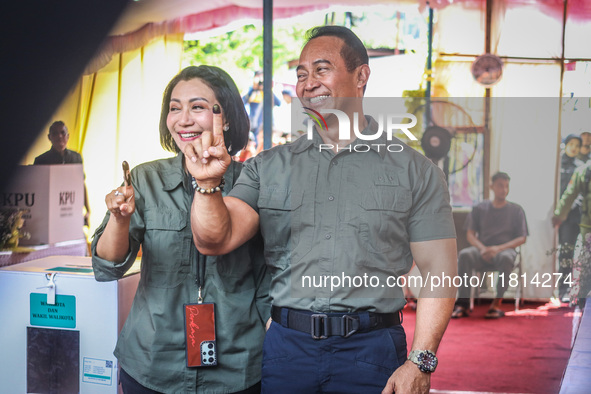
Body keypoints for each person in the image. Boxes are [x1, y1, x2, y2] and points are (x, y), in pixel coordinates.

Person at [186, 26, 457, 394]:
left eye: (321, 70)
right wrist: (206, 185)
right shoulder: (267, 167)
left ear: (361, 76)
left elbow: (438, 271)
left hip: (372, 350)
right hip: (288, 350)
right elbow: (215, 239)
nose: (308, 83)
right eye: (300, 74)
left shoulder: (415, 170)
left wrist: (420, 362)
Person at [91, 65, 270, 394]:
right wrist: (119, 218)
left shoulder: (254, 181)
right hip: (152, 362)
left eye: (197, 107)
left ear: (225, 117)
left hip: (237, 365)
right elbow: (107, 266)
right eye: (175, 108)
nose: (183, 119)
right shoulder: (146, 179)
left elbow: (272, 270)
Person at [451, 172, 528, 319]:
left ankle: (496, 304)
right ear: (491, 186)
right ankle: (463, 304)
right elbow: (470, 235)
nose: (504, 190)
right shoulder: (480, 208)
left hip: (504, 250)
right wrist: (483, 248)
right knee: (465, 255)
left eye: (506, 186)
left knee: (506, 257)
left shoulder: (516, 210)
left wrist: (498, 248)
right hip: (482, 250)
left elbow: (522, 238)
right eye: (500, 186)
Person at [34, 121, 91, 226]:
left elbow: (81, 184)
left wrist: (88, 209)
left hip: (71, 210)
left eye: (62, 133)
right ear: (49, 137)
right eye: (55, 133)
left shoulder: (76, 157)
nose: (59, 136)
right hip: (49, 213)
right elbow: (37, 191)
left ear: (68, 136)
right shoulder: (41, 160)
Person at [556, 134, 584, 301]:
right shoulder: (556, 164)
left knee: (567, 253)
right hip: (552, 215)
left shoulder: (581, 167)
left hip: (572, 217)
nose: (573, 147)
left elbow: (579, 193)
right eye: (570, 144)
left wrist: (566, 210)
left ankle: (564, 289)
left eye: (577, 145)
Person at [242, 70, 281, 147]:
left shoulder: (268, 92)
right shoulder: (252, 91)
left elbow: (278, 103)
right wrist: (253, 88)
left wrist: (267, 89)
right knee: (256, 145)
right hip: (255, 124)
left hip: (266, 124)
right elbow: (243, 101)